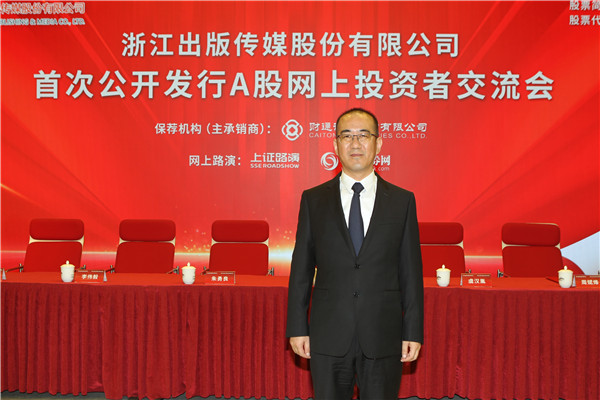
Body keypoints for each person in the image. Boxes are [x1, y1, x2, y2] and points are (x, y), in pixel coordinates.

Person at [286, 108, 424, 400]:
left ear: (378, 143)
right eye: (347, 136)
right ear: (335, 145)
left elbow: (410, 272)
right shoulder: (313, 200)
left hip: (383, 334)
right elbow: (301, 270)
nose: (355, 143)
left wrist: (412, 331)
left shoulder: (402, 201)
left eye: (364, 135)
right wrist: (297, 327)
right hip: (329, 334)